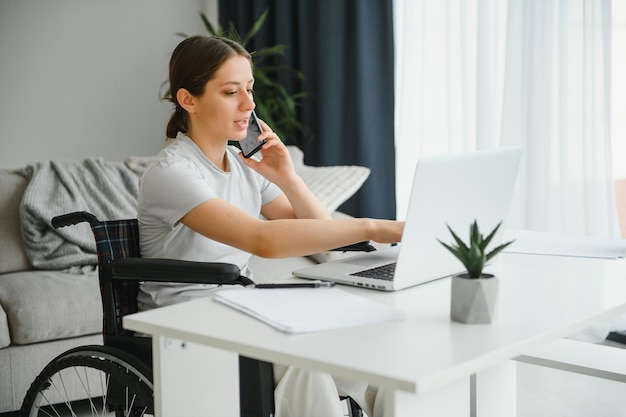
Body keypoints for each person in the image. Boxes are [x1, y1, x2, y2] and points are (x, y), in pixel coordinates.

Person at [137, 35, 404, 417]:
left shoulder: (243, 165)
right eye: (231, 92)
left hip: (236, 306)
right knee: (304, 360)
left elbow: (319, 232)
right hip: (181, 320)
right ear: (188, 100)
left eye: (249, 89)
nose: (249, 104)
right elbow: (263, 240)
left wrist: (288, 179)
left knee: (363, 343)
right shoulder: (172, 173)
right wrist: (377, 228)